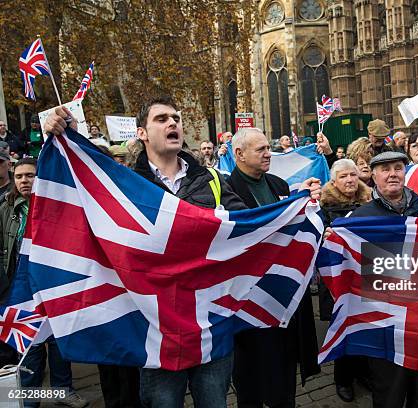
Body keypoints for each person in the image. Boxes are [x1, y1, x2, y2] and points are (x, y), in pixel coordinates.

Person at [44, 96, 247, 408]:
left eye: (176, 118)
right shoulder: (126, 185)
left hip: (210, 323)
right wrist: (65, 133)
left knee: (214, 402)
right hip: (156, 328)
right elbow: (83, 201)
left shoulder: (214, 180)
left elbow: (249, 229)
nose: (173, 123)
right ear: (142, 133)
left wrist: (304, 210)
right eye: (162, 119)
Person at [226, 127, 321, 408]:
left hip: (283, 296)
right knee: (251, 374)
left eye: (268, 148)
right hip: (248, 298)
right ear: (239, 154)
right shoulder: (227, 190)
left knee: (284, 368)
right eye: (262, 149)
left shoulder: (279, 185)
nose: (269, 154)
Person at [346, 151, 418, 408]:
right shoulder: (361, 217)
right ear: (373, 176)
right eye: (385, 169)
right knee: (390, 388)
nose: (392, 174)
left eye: (398, 168)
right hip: (383, 318)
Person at [0, 158, 88, 408]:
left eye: (30, 175)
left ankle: (63, 391)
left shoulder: (57, 204)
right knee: (29, 345)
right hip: (21, 287)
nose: (24, 181)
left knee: (59, 341)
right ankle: (29, 398)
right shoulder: (6, 208)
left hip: (53, 283)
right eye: (19, 177)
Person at [317, 159, 371, 402]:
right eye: (343, 176)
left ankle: (362, 373)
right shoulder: (323, 208)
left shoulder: (370, 202)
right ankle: (343, 378)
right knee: (342, 327)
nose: (350, 180)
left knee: (365, 326)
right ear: (333, 181)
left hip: (365, 276)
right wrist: (324, 236)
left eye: (353, 175)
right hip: (338, 280)